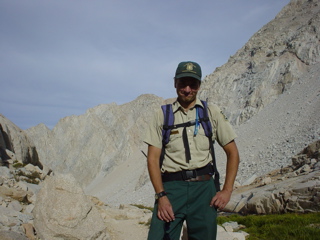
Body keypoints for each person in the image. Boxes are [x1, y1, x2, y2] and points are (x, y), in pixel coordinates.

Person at [144, 61, 240, 240]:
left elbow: (233, 152)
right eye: (182, 83)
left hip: (204, 190)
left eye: (193, 84)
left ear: (199, 85)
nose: (187, 89)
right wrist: (161, 196)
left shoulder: (211, 112)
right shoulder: (162, 115)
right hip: (171, 190)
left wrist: (227, 190)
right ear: (175, 83)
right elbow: (152, 159)